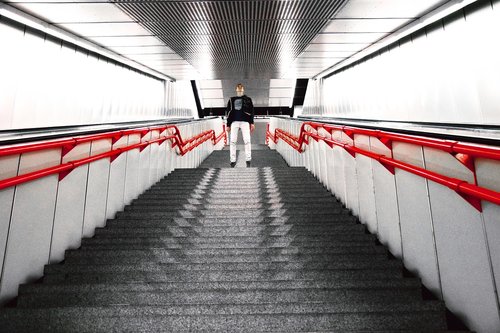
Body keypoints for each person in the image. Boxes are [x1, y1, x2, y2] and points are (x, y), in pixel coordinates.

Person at [226, 83, 255, 167]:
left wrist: (252, 123)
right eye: (238, 90)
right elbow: (228, 112)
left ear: (243, 90)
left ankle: (248, 159)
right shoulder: (231, 99)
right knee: (232, 141)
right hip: (234, 122)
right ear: (236, 90)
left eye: (241, 89)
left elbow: (252, 111)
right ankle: (232, 160)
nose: (239, 91)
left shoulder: (248, 99)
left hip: (245, 122)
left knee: (247, 140)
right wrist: (228, 124)